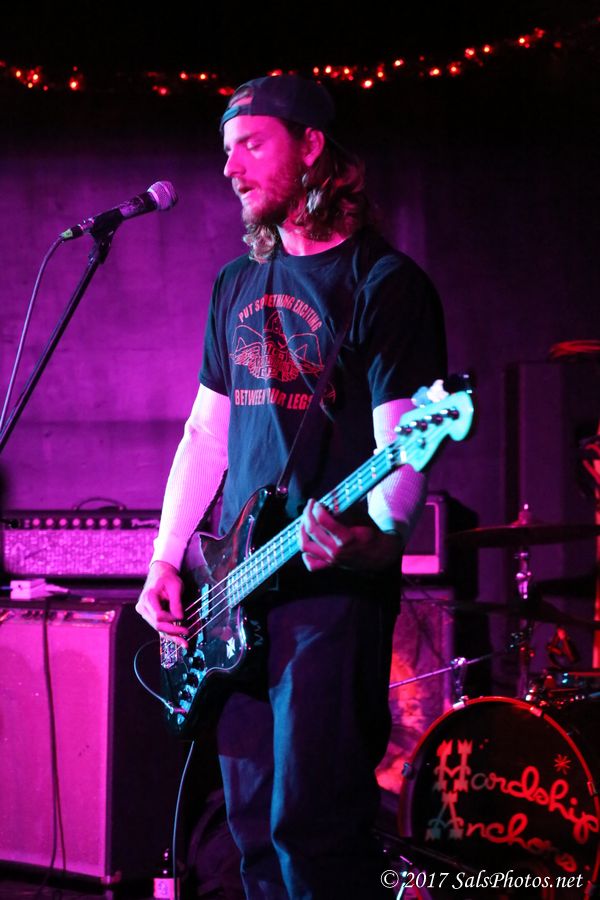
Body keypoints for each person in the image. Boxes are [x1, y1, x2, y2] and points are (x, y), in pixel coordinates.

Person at [136, 74, 446, 899]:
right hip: (234, 596)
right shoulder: (235, 284)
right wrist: (165, 557)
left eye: (251, 144)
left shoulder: (384, 284)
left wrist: (378, 538)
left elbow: (404, 448)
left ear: (312, 147)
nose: (230, 168)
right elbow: (206, 434)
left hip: (328, 597)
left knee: (313, 835)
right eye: (225, 150)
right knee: (250, 840)